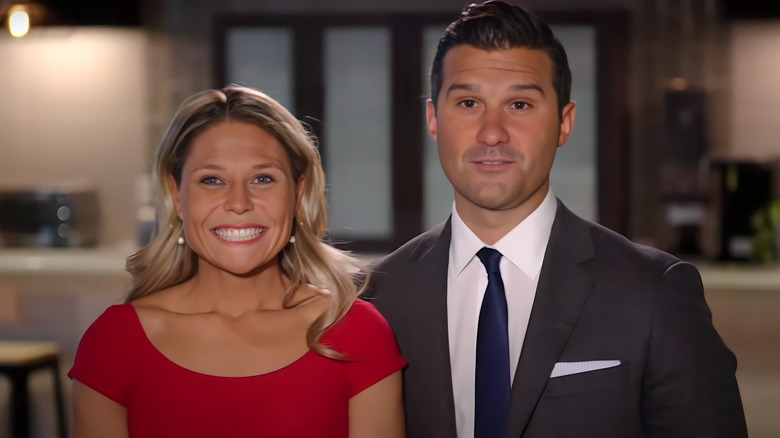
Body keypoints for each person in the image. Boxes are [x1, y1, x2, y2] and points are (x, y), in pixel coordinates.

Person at [363, 1, 747, 437]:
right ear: (434, 119)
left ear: (564, 124)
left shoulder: (653, 292)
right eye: (469, 103)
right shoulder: (379, 297)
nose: (492, 132)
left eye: (520, 105)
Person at [69, 85, 406, 438]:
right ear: (177, 197)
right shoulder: (116, 342)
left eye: (263, 179)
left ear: (298, 193)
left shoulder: (357, 332)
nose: (239, 202)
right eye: (211, 180)